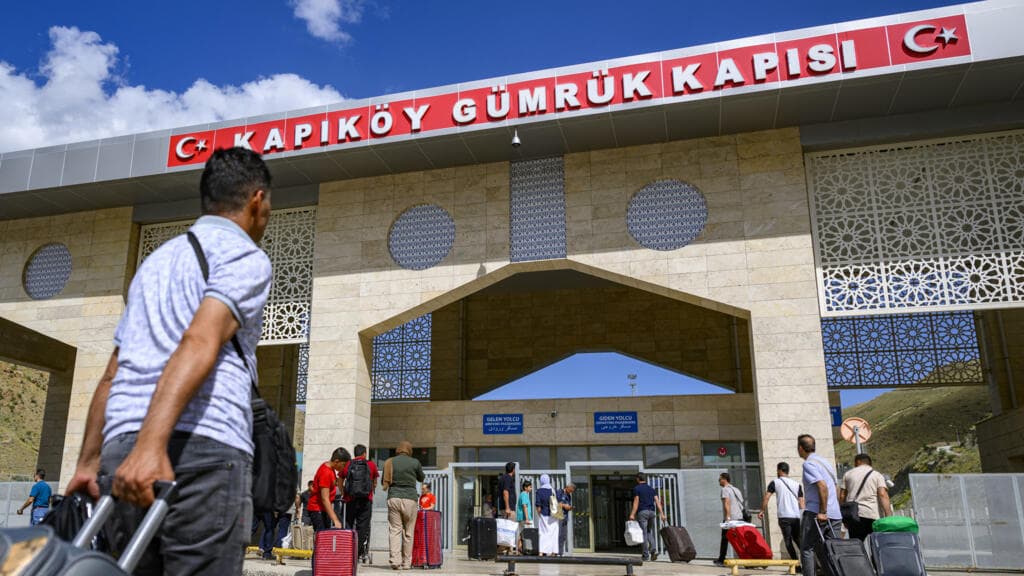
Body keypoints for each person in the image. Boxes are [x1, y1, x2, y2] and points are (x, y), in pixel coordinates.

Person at [64, 147, 273, 575]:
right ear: (256, 199)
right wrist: (151, 446)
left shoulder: (155, 263)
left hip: (119, 452)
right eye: (269, 202)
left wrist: (88, 463)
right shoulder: (244, 256)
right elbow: (201, 339)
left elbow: (112, 373)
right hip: (198, 450)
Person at [797, 434, 843, 576]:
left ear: (800, 448)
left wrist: (823, 511)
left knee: (807, 548)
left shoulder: (809, 464)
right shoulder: (825, 463)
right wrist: (834, 508)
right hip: (835, 514)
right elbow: (836, 487)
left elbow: (822, 486)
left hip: (816, 513)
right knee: (829, 549)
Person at [382, 440, 425, 570]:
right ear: (409, 450)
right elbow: (421, 478)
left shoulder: (390, 462)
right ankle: (407, 563)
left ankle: (395, 561)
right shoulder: (415, 462)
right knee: (408, 532)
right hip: (410, 499)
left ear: (398, 450)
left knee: (395, 530)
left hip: (394, 497)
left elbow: (383, 480)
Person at [840, 453, 892, 541]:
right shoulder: (877, 475)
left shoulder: (848, 474)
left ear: (857, 462)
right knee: (877, 543)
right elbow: (882, 494)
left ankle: (858, 555)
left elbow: (842, 496)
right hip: (873, 515)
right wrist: (888, 514)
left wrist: (844, 515)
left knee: (857, 543)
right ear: (870, 463)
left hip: (854, 515)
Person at [759, 462, 804, 562]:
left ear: (780, 470)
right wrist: (803, 516)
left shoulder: (775, 482)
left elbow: (766, 497)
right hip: (796, 516)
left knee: (788, 541)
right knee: (798, 540)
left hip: (784, 516)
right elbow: (801, 502)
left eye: (777, 470)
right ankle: (811, 563)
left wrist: (762, 510)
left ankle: (796, 565)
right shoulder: (797, 485)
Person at [341, 443, 379, 562]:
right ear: (364, 453)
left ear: (355, 453)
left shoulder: (348, 464)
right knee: (363, 527)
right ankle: (357, 553)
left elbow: (339, 479)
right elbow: (374, 482)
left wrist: (343, 493)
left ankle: (347, 551)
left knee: (347, 524)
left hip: (350, 500)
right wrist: (371, 491)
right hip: (366, 500)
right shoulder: (371, 465)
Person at [309, 448, 349, 532]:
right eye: (343, 465)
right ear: (336, 461)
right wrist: (335, 519)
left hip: (323, 509)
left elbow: (332, 483)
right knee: (322, 538)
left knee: (325, 537)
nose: (344, 468)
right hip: (317, 509)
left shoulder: (330, 469)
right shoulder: (326, 472)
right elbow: (325, 498)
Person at [628, 473, 666, 562]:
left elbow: (636, 501)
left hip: (642, 512)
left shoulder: (637, 488)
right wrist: (662, 514)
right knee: (649, 532)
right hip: (652, 512)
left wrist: (632, 514)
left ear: (638, 479)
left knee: (643, 533)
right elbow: (657, 502)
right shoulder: (651, 489)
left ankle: (645, 555)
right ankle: (653, 550)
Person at [715, 472, 746, 567]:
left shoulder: (725, 490)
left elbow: (727, 503)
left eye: (719, 479)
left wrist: (727, 518)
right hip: (739, 517)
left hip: (731, 518)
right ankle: (747, 560)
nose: (719, 481)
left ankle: (721, 560)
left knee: (725, 538)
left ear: (724, 479)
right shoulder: (736, 489)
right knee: (739, 539)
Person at [496, 462, 517, 555]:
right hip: (508, 508)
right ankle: (502, 548)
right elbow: (505, 492)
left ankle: (508, 549)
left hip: (504, 507)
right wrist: (508, 507)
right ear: (513, 470)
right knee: (509, 529)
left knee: (506, 529)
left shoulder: (502, 478)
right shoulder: (508, 478)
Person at [535, 475, 558, 556]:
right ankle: (554, 551)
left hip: (543, 514)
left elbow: (538, 505)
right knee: (553, 533)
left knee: (543, 533)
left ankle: (541, 551)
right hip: (553, 515)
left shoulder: (539, 491)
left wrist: (539, 514)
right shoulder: (552, 490)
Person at [556, 484, 575, 555]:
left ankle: (560, 552)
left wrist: (570, 507)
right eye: (570, 490)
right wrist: (564, 506)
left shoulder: (569, 496)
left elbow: (568, 504)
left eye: (571, 491)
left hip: (565, 517)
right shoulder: (559, 492)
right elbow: (556, 503)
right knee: (559, 534)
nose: (570, 492)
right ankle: (557, 552)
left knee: (564, 535)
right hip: (559, 516)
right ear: (567, 487)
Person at [517, 479, 533, 553]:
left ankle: (519, 549)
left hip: (521, 518)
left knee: (521, 533)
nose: (531, 488)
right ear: (525, 487)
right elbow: (524, 506)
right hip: (524, 518)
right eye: (530, 487)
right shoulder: (524, 494)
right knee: (528, 534)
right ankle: (528, 549)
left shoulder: (523, 494)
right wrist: (527, 518)